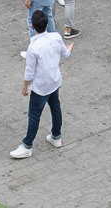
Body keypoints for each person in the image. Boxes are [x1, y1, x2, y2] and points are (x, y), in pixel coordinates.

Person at [14, 9, 71, 159]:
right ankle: (56, 136)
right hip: (54, 80)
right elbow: (66, 53)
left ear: (33, 27)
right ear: (47, 25)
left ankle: (27, 145)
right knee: (55, 107)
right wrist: (70, 47)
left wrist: (25, 86)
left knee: (34, 115)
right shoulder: (56, 37)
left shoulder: (33, 48)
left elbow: (30, 71)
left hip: (40, 86)